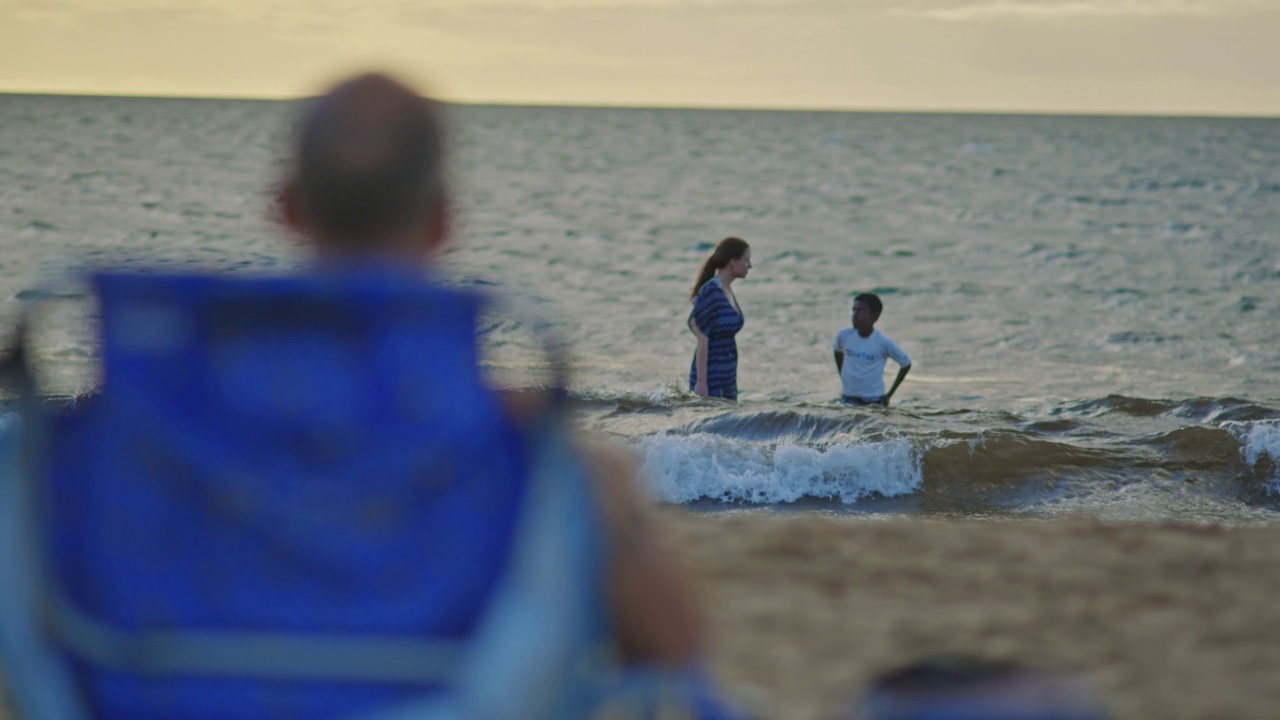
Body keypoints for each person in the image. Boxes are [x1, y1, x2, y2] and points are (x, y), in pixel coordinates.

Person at [275, 73, 705, 667]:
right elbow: (676, 651)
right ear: (444, 220)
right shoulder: (529, 460)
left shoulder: (167, 436)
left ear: (287, 207)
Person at [688, 237, 751, 400]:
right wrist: (702, 382)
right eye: (746, 260)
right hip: (711, 373)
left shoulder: (726, 290)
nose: (749, 265)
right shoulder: (711, 291)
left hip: (728, 373)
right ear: (733, 262)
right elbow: (701, 335)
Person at [833, 292, 911, 406]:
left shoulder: (883, 342)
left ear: (874, 315)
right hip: (848, 398)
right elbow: (837, 351)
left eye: (860, 311)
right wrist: (843, 376)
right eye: (854, 310)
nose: (855, 314)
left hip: (874, 400)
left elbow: (906, 363)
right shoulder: (844, 336)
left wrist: (889, 395)